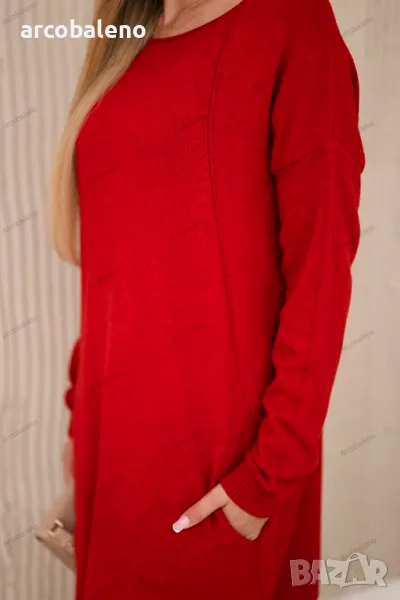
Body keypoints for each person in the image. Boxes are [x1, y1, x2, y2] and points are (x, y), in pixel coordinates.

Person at [52, 0, 365, 598]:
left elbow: (321, 266)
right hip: (109, 460)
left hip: (215, 482)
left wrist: (268, 475)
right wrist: (79, 414)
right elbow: (119, 266)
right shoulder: (122, 36)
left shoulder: (290, 20)